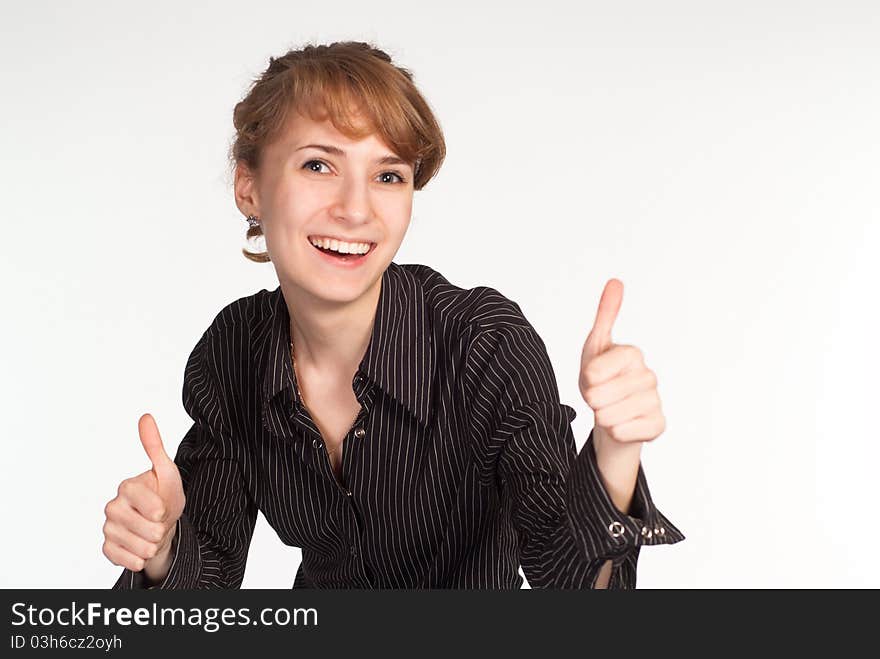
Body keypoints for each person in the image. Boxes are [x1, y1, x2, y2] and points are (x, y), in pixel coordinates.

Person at [102, 40, 684, 590]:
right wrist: (160, 553)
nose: (356, 210)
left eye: (388, 176)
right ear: (249, 187)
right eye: (318, 165)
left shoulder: (482, 344)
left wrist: (614, 453)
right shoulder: (233, 352)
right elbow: (199, 603)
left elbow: (577, 590)